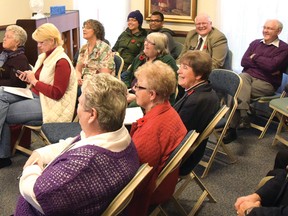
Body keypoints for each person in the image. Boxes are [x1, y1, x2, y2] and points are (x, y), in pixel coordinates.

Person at [14, 73, 140, 216]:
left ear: (92, 115)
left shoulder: (85, 164)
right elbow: (78, 140)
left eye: (79, 103)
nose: (77, 109)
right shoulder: (118, 134)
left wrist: (31, 169)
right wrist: (41, 153)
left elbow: (38, 195)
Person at [0, 23, 77, 169]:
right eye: (38, 42)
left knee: (1, 110)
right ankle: (2, 157)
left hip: (50, 104)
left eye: (42, 42)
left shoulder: (61, 62)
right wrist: (29, 77)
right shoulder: (45, 57)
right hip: (36, 96)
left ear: (53, 41)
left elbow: (57, 93)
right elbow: (39, 79)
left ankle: (3, 156)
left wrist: (34, 80)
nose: (39, 46)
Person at [127, 60, 187, 215]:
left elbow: (134, 174)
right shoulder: (168, 111)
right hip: (163, 185)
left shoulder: (152, 129)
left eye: (138, 87)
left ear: (152, 94)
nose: (135, 90)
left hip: (146, 192)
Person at [223, 19, 288, 144]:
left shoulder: (284, 48)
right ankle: (243, 114)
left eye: (270, 28)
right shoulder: (255, 43)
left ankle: (231, 128)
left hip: (267, 83)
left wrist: (255, 57)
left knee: (237, 91)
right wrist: (263, 62)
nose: (265, 30)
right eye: (264, 27)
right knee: (241, 76)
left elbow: (272, 66)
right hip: (248, 77)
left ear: (279, 31)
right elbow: (244, 61)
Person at [174, 50, 219, 175]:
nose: (178, 71)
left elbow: (177, 132)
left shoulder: (197, 100)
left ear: (198, 75)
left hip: (181, 157)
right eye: (180, 66)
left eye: (185, 68)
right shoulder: (200, 90)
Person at [124, 32, 178, 106]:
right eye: (146, 40)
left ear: (158, 47)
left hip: (153, 97)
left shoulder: (167, 61)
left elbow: (161, 88)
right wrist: (125, 88)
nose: (146, 43)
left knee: (132, 105)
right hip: (133, 91)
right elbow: (128, 74)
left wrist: (137, 96)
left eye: (150, 42)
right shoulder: (141, 57)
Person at [76, 19, 115, 87]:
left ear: (96, 31)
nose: (84, 30)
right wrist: (78, 77)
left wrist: (87, 83)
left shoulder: (104, 48)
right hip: (84, 83)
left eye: (88, 28)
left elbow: (104, 75)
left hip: (99, 85)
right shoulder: (84, 48)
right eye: (84, 27)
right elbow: (78, 69)